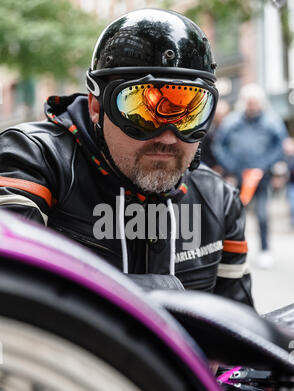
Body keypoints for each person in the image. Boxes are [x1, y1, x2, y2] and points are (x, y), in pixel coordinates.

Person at [0, 8, 254, 307]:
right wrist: (158, 297)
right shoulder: (34, 159)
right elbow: (11, 291)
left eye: (188, 112)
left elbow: (240, 333)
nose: (168, 135)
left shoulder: (219, 200)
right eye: (141, 110)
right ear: (97, 106)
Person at [213, 83, 288, 269]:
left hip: (261, 177)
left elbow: (280, 146)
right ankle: (235, 251)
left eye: (255, 102)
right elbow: (219, 146)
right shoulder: (232, 122)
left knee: (262, 215)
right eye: (249, 102)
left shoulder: (271, 122)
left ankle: (264, 249)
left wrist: (267, 166)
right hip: (237, 177)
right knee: (235, 216)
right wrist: (231, 167)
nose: (252, 106)